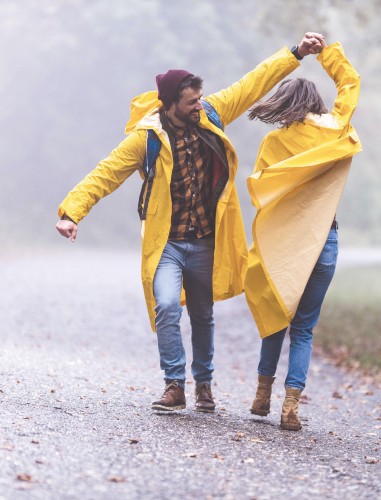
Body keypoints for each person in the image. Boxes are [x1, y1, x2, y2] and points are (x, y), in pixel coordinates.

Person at [56, 33, 325, 414]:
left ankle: (204, 386)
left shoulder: (211, 114)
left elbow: (252, 83)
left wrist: (296, 52)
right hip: (167, 242)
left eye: (200, 98)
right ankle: (174, 384)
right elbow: (106, 173)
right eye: (191, 102)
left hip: (205, 241)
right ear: (169, 106)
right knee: (166, 306)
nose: (199, 105)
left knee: (202, 314)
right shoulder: (146, 138)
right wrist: (71, 213)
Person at [244, 36, 362, 430]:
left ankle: (262, 394)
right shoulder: (333, 132)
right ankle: (290, 406)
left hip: (285, 248)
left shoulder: (272, 142)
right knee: (304, 329)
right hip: (324, 243)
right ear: (315, 105)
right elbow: (351, 85)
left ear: (284, 103)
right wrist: (328, 53)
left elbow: (263, 195)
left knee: (276, 317)